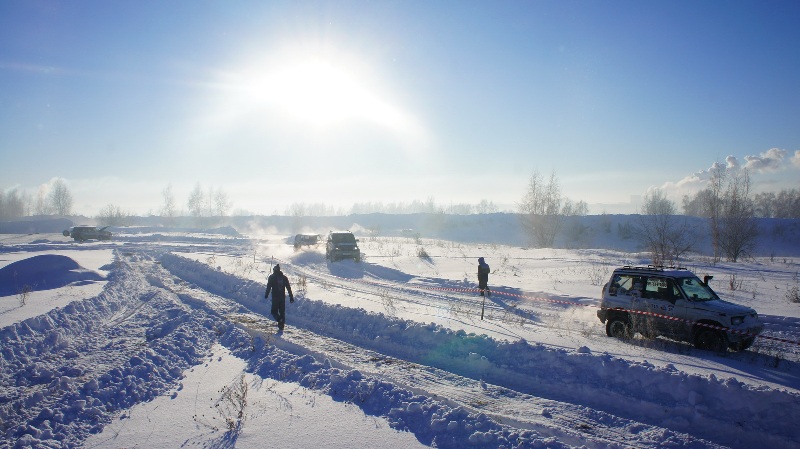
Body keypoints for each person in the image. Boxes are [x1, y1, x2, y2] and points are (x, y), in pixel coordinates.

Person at [265, 264, 294, 331]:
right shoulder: (284, 278)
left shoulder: (271, 277)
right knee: (282, 312)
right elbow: (288, 288)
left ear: (274, 270)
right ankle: (281, 326)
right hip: (282, 297)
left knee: (274, 311)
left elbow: (268, 287)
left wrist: (266, 294)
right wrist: (291, 297)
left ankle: (279, 320)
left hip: (275, 297)